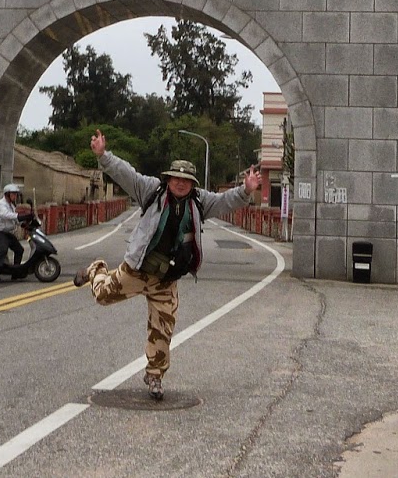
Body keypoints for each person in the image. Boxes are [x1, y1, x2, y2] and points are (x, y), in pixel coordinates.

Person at [75, 129, 262, 400]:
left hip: (166, 280)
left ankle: (155, 376)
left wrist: (246, 190)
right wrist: (103, 155)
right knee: (102, 296)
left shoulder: (199, 202)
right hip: (138, 269)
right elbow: (126, 174)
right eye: (176, 178)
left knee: (162, 328)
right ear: (169, 179)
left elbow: (225, 201)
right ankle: (97, 270)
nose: (181, 184)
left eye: (186, 180)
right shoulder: (151, 190)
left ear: (192, 183)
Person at [0, 183, 26, 268]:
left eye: (16, 194)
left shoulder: (11, 206)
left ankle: (16, 270)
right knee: (3, 249)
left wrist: (23, 224)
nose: (15, 196)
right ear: (7, 194)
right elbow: (5, 215)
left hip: (6, 233)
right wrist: (19, 216)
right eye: (13, 194)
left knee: (19, 249)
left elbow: (14, 219)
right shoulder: (2, 204)